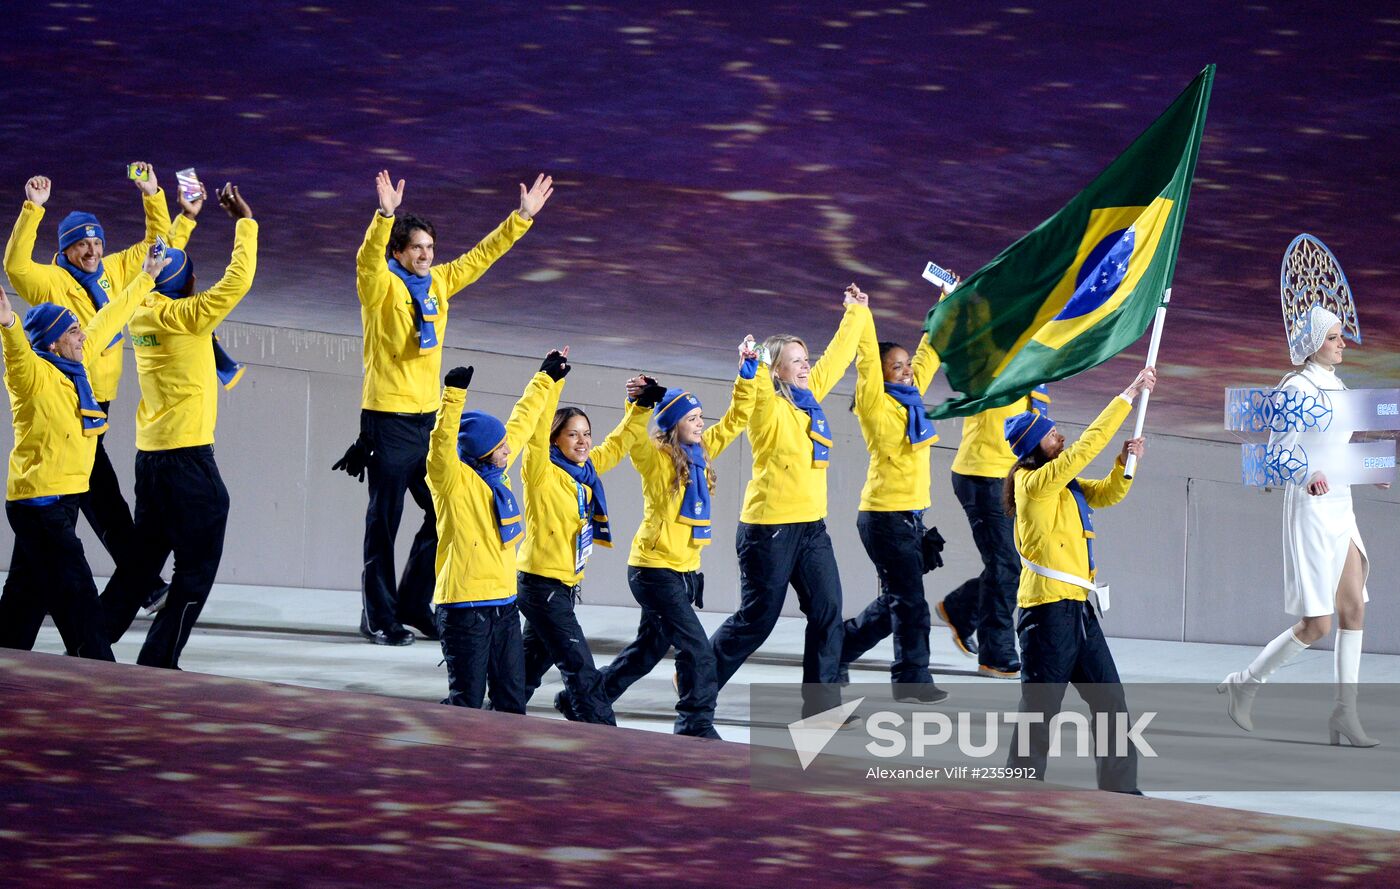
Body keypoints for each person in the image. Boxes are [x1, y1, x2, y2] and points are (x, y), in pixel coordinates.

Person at [343, 169, 553, 646]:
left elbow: (480, 258)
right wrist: (384, 215)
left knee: (442, 514)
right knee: (383, 522)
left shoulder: (438, 283)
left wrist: (521, 218)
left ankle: (413, 602)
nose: (426, 256)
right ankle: (377, 616)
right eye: (416, 247)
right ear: (397, 251)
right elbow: (366, 262)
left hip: (429, 421)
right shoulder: (381, 289)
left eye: (430, 248)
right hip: (387, 420)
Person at [100, 183, 258, 669]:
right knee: (196, 566)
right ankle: (159, 657)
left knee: (140, 565)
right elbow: (238, 281)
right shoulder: (190, 317)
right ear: (187, 284)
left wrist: (185, 220)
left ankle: (89, 644)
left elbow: (162, 265)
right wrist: (244, 222)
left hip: (151, 460)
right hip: (188, 460)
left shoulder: (141, 312)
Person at [3, 168, 171, 612]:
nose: (93, 251)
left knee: (79, 497)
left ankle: (27, 603)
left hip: (100, 400)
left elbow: (159, 241)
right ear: (66, 249)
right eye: (83, 244)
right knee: (99, 494)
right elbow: (15, 265)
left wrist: (152, 193)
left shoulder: (115, 268)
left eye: (97, 242)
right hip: (65, 398)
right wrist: (33, 208)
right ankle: (142, 583)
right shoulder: (50, 281)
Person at [1218, 306, 1383, 747]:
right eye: (1333, 338)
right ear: (1313, 344)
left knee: (1354, 608)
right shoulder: (1297, 387)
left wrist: (1371, 468)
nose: (1342, 343)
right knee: (1318, 625)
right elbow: (1277, 453)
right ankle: (1246, 683)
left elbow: (1337, 447)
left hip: (1341, 506)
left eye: (1341, 336)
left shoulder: (1337, 384)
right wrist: (1305, 473)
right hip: (1310, 509)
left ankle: (1345, 714)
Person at [709, 284, 872, 719]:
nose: (806, 366)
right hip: (770, 529)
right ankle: (698, 675)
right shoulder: (767, 403)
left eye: (806, 359)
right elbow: (748, 395)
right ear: (776, 369)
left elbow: (838, 357)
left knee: (828, 612)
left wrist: (854, 312)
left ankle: (821, 710)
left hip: (811, 527)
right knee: (758, 620)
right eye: (796, 361)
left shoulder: (809, 395)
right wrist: (749, 368)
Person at [586, 337, 760, 738]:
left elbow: (736, 418)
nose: (700, 423)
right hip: (652, 569)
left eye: (700, 416)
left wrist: (746, 373)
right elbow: (630, 440)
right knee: (696, 648)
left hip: (683, 571)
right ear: (672, 424)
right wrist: (640, 405)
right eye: (692, 418)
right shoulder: (654, 456)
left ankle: (589, 696)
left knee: (648, 650)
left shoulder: (705, 450)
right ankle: (695, 722)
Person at [0, 252, 163, 659]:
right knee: (79, 595)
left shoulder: (77, 368)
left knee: (26, 593)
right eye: (73, 331)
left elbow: (106, 321)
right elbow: (17, 352)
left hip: (63, 498)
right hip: (40, 504)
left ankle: (7, 657)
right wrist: (8, 323)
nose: (82, 337)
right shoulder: (34, 376)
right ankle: (98, 671)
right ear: (54, 341)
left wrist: (144, 278)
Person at [1003, 367, 1155, 793]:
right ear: (1036, 447)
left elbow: (1109, 493)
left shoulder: (1064, 486)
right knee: (1040, 711)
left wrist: (1127, 461)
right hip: (1046, 614)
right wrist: (1128, 393)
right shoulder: (1033, 484)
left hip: (1079, 611)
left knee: (1111, 703)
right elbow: (1086, 447)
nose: (1061, 438)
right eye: (1053, 436)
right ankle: (1019, 790)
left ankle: (1121, 790)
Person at [516, 365, 657, 724]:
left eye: (586, 434)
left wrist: (640, 406)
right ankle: (601, 732)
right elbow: (534, 432)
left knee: (526, 670)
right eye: (572, 435)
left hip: (562, 586)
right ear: (554, 439)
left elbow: (620, 442)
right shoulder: (541, 471)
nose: (582, 442)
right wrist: (552, 381)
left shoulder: (587, 471)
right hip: (540, 584)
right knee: (579, 666)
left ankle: (493, 717)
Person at [426, 353, 560, 711]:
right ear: (482, 453)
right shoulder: (453, 482)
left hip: (504, 605)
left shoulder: (497, 471)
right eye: (500, 447)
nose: (508, 448)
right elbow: (440, 448)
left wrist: (545, 377)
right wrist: (453, 396)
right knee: (467, 701)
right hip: (464, 609)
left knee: (512, 702)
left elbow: (522, 421)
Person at [837, 307, 948, 702]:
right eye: (896, 367)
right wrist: (862, 314)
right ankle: (911, 680)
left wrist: (944, 301)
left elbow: (928, 355)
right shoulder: (876, 404)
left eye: (906, 365)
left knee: (897, 601)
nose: (906, 371)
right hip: (884, 518)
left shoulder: (911, 399)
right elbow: (866, 360)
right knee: (911, 603)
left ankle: (838, 649)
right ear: (881, 375)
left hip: (910, 518)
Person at [936, 384, 1052, 680]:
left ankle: (960, 608)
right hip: (982, 476)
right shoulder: (993, 362)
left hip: (1013, 479)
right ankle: (997, 654)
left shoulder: (1036, 369)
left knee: (1010, 565)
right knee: (1006, 565)